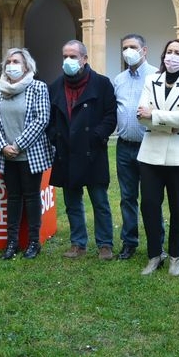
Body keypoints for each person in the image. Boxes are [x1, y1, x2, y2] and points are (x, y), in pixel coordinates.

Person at [136, 39, 179, 276]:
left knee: (178, 207)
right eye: (168, 52)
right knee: (150, 206)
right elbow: (140, 115)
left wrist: (155, 116)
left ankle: (175, 256)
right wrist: (168, 123)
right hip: (150, 154)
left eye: (177, 53)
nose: (171, 56)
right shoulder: (150, 80)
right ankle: (155, 255)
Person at [47, 40, 117, 260]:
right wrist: (55, 137)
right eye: (65, 56)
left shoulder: (101, 83)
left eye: (73, 56)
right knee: (72, 202)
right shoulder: (55, 86)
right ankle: (78, 243)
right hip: (66, 152)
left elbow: (110, 115)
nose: (68, 61)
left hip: (92, 151)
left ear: (84, 59)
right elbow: (48, 119)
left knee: (100, 201)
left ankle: (105, 244)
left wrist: (96, 135)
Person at [0, 48, 54, 260]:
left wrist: (17, 145)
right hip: (7, 155)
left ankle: (34, 242)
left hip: (30, 154)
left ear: (26, 66)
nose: (11, 65)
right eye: (8, 61)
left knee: (32, 197)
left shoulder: (38, 87)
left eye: (16, 61)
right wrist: (3, 146)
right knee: (13, 198)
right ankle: (12, 243)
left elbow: (42, 119)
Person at [112, 33, 163, 260]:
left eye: (133, 47)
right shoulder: (119, 79)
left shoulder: (157, 76)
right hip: (124, 147)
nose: (128, 51)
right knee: (127, 197)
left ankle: (156, 242)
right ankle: (129, 242)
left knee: (152, 198)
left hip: (149, 145)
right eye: (125, 47)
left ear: (144, 50)